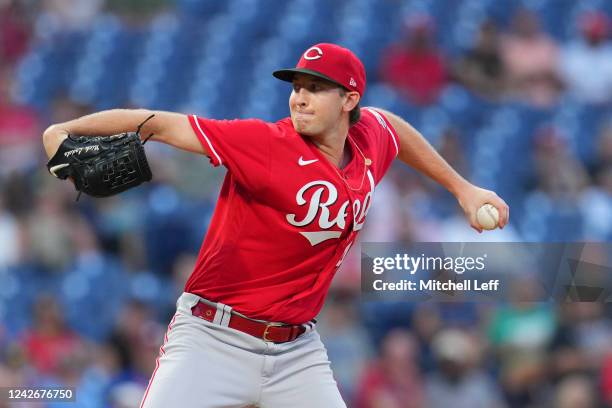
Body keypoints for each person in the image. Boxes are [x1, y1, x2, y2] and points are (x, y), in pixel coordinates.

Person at [42, 42, 509, 407]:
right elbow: (160, 124)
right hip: (213, 338)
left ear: (349, 99)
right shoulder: (265, 144)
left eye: (314, 87)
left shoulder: (368, 140)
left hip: (295, 353)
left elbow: (393, 127)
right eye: (296, 86)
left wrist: (462, 188)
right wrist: (63, 131)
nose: (299, 97)